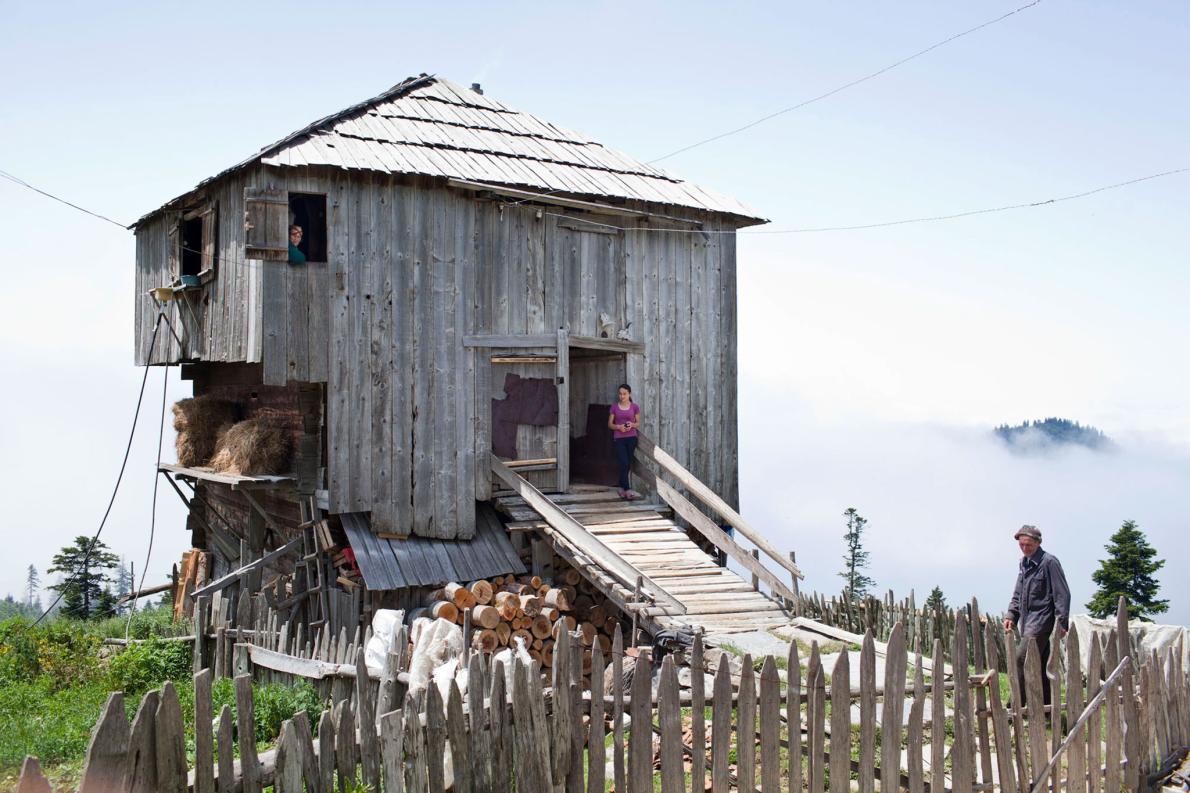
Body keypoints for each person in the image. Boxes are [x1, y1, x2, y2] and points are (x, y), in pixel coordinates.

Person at [1003, 524, 1070, 705]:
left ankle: (1015, 706)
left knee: (1021, 660)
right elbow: (1018, 593)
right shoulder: (1024, 563)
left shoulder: (1049, 562)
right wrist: (1011, 615)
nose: (1025, 548)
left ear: (1038, 543)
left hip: (1042, 621)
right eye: (1022, 545)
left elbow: (1062, 594)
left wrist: (1062, 623)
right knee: (1040, 665)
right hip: (1028, 621)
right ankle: (1046, 708)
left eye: (1029, 545)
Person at [608, 384, 641, 499]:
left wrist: (631, 424)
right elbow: (610, 424)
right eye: (620, 394)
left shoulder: (635, 407)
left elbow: (638, 423)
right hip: (619, 438)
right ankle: (627, 489)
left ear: (629, 394)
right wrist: (619, 427)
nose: (622, 396)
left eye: (624, 394)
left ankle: (621, 486)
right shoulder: (614, 407)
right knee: (624, 463)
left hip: (631, 437)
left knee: (626, 464)